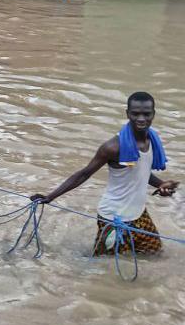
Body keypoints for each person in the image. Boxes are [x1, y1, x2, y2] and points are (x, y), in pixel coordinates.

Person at [32, 92, 178, 255]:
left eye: (146, 114)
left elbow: (139, 171)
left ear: (153, 114)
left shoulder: (152, 139)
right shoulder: (113, 147)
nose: (141, 119)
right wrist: (50, 196)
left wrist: (161, 184)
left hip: (139, 214)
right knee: (102, 265)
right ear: (127, 113)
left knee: (155, 254)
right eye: (135, 113)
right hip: (114, 218)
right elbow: (84, 174)